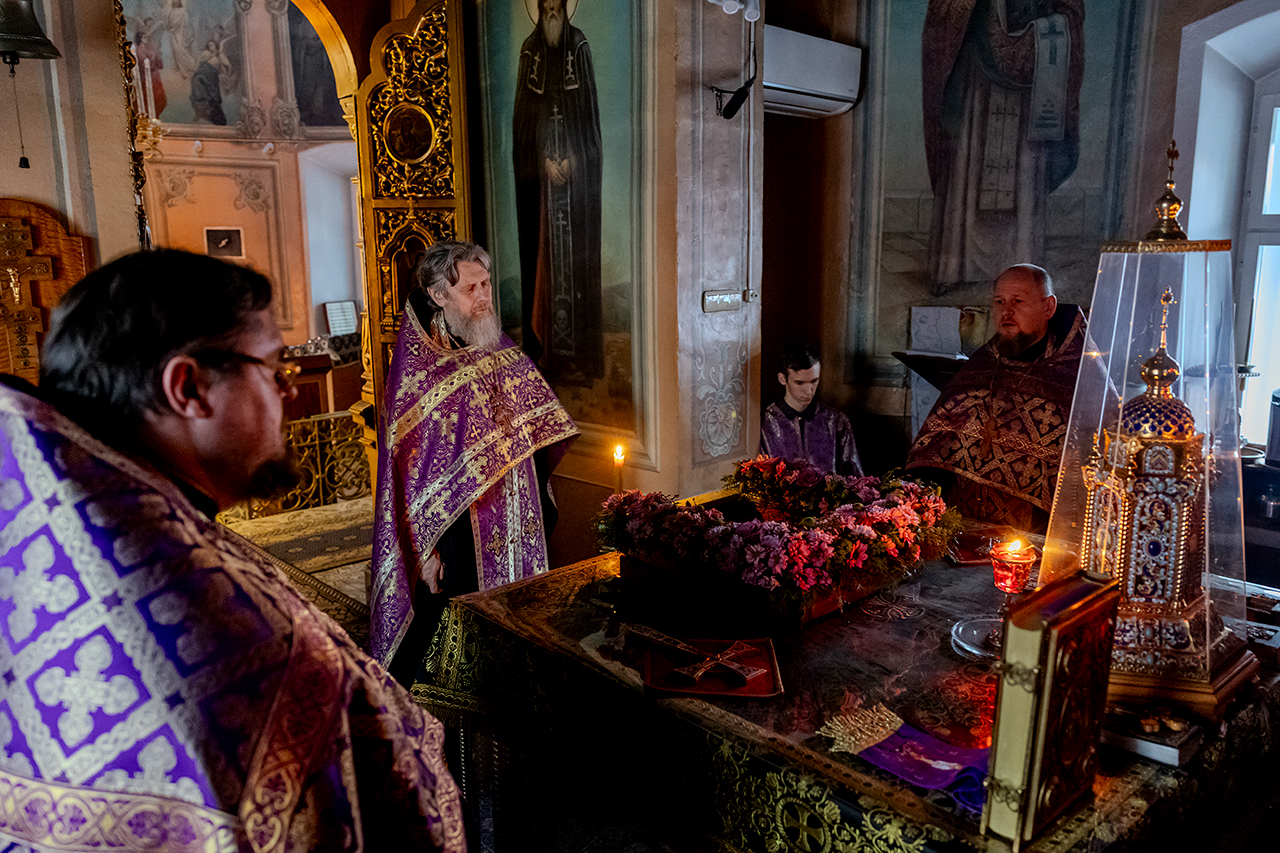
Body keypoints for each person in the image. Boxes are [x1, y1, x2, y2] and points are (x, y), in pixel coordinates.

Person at [0, 250, 465, 851]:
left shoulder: (43, 542)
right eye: (274, 368)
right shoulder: (231, 636)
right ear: (189, 387)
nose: (288, 393)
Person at [371, 241, 578, 686]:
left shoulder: (501, 349)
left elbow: (537, 429)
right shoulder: (418, 373)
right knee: (463, 653)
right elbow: (407, 476)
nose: (484, 296)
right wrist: (425, 552)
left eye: (485, 284)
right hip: (461, 534)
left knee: (526, 635)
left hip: (521, 519)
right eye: (470, 288)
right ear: (438, 295)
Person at [906, 263, 1086, 532]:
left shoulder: (1077, 376)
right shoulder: (980, 366)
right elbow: (935, 448)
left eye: (1018, 301)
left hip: (1034, 540)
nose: (1007, 311)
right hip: (960, 532)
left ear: (1048, 307)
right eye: (1000, 301)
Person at [922, 0, 1084, 292]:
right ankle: (956, 266)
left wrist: (1042, 28)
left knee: (1024, 164)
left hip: (1033, 78)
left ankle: (1022, 266)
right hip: (978, 72)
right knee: (968, 159)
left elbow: (1070, 11)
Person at [512, 0, 604, 381]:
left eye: (557, 2)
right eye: (545, 2)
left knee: (575, 266)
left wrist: (576, 160)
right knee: (544, 267)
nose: (551, 7)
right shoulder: (529, 52)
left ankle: (577, 357)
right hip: (542, 191)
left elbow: (590, 120)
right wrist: (541, 162)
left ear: (565, 5)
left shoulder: (578, 47)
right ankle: (544, 351)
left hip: (574, 187)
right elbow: (522, 124)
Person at [759, 343, 863, 476]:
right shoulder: (764, 422)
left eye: (814, 381)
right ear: (782, 379)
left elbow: (854, 476)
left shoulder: (836, 421)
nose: (809, 391)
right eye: (799, 383)